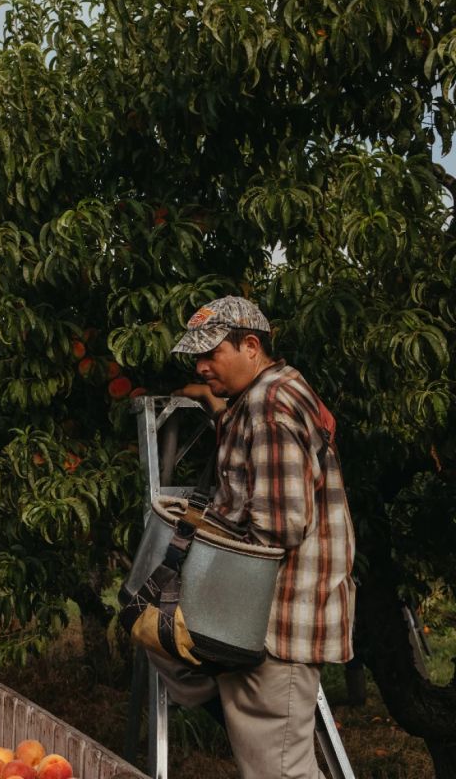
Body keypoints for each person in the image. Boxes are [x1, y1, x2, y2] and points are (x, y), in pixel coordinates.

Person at [152, 296, 356, 778]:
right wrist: (218, 407)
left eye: (211, 354)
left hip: (272, 621)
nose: (201, 367)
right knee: (162, 642)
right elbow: (257, 462)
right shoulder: (266, 396)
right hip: (255, 618)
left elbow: (279, 525)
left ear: (250, 346)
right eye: (196, 358)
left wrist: (199, 542)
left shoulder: (270, 405)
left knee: (278, 770)